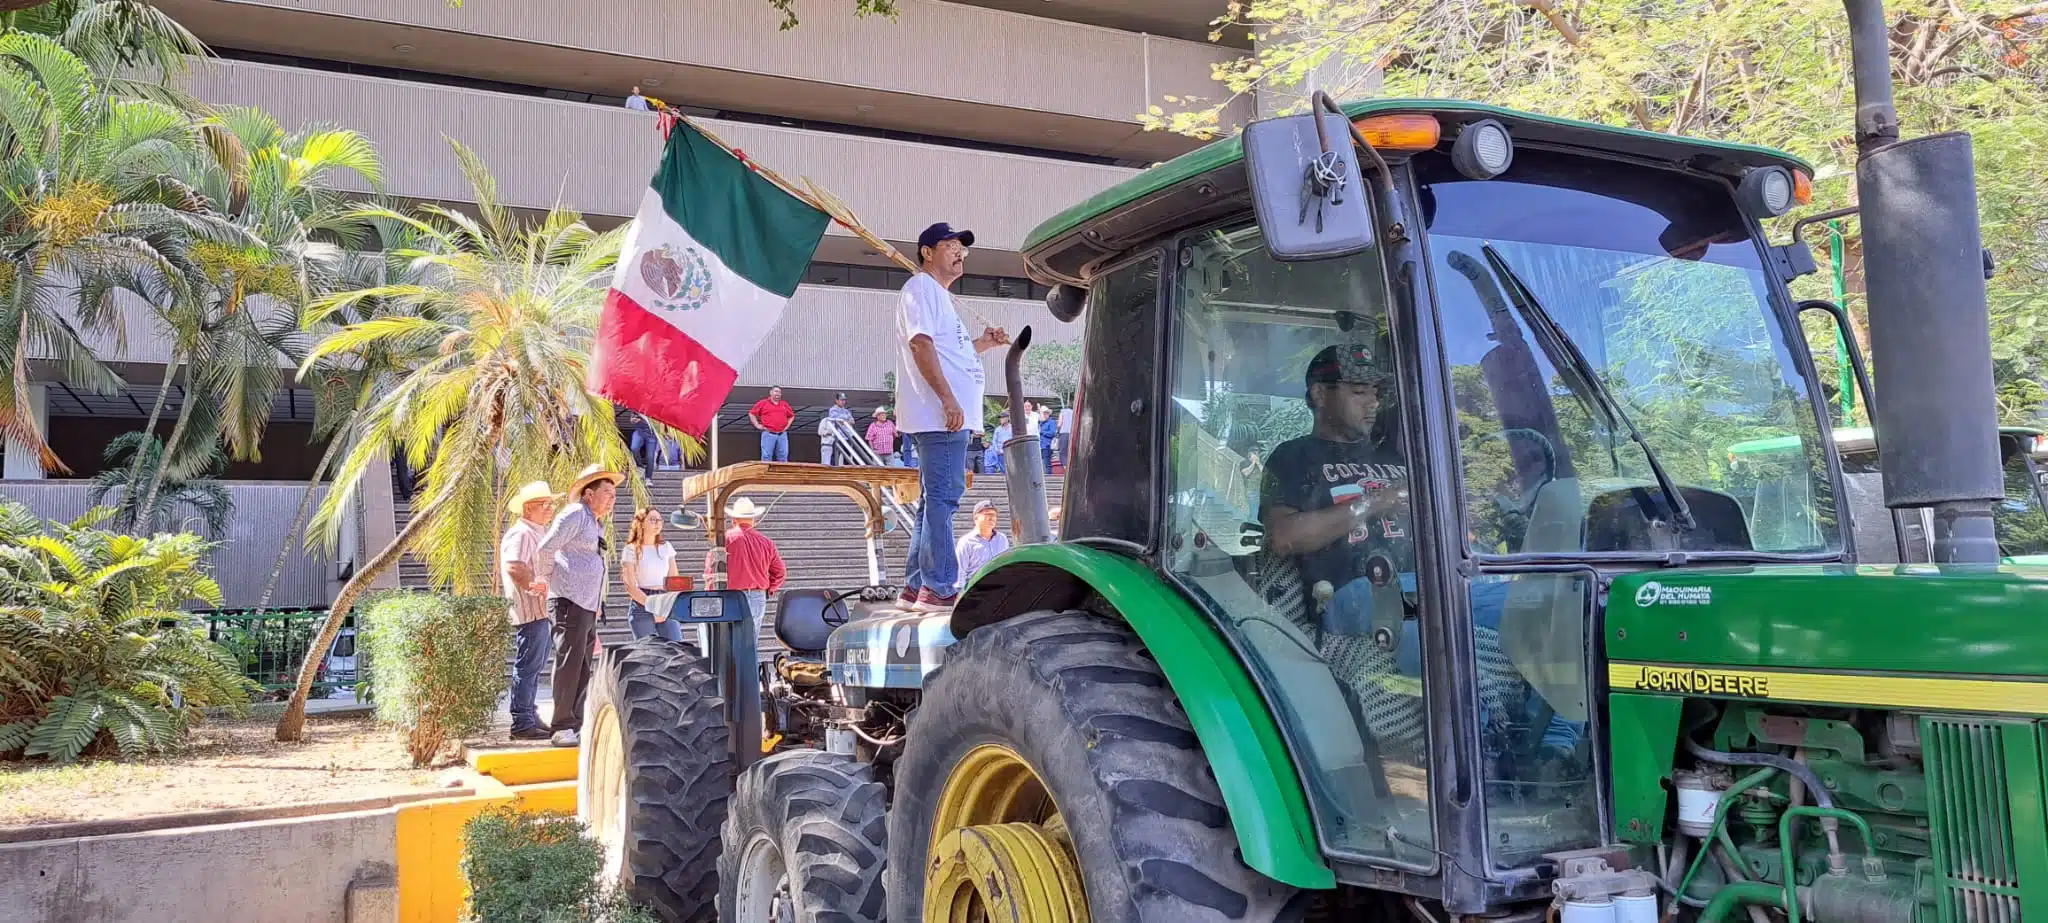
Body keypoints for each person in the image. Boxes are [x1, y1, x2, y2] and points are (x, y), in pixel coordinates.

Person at [894, 221, 1008, 610]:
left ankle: (916, 584)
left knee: (933, 500)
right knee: (943, 499)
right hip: (939, 417)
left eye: (963, 247)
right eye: (950, 245)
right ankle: (939, 586)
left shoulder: (938, 295)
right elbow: (921, 345)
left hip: (944, 416)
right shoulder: (921, 289)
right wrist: (948, 400)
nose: (960, 252)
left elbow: (952, 354)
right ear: (928, 252)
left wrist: (985, 344)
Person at [534, 464, 623, 747]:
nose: (612, 499)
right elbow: (546, 547)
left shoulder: (595, 522)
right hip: (568, 600)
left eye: (613, 494)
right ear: (588, 494)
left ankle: (576, 722)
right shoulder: (574, 514)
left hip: (586, 603)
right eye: (607, 493)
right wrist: (544, 579)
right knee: (569, 662)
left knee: (583, 665)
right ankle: (561, 726)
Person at [499, 480, 557, 741]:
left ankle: (529, 717)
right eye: (545, 504)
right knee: (528, 666)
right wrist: (532, 585)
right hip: (530, 611)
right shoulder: (521, 533)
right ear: (529, 508)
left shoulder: (536, 532)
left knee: (533, 666)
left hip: (539, 611)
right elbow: (514, 565)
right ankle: (522, 721)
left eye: (550, 504)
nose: (550, 508)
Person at [709, 497, 785, 631]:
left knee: (728, 640)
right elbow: (780, 572)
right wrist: (769, 589)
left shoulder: (723, 540)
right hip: (757, 595)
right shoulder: (767, 542)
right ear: (753, 520)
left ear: (734, 520)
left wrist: (711, 593)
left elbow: (711, 570)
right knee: (750, 642)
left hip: (730, 596)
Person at [620, 508, 681, 642]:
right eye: (653, 520)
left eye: (660, 520)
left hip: (665, 599)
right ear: (641, 523)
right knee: (647, 653)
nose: (657, 523)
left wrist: (666, 605)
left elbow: (674, 580)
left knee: (676, 648)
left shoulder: (666, 547)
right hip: (642, 601)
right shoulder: (630, 549)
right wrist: (652, 606)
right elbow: (630, 585)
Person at [954, 500, 1011, 592]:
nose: (992, 518)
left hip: (999, 590)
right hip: (976, 591)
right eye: (988, 514)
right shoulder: (966, 542)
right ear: (976, 518)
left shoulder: (1002, 539)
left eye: (994, 515)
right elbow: (960, 571)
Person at [750, 386, 795, 462]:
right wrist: (757, 425)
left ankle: (781, 473)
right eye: (776, 391)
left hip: (782, 434)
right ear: (770, 392)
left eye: (779, 392)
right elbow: (752, 413)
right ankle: (766, 473)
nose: (777, 393)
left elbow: (792, 416)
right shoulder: (763, 403)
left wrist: (787, 426)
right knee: (766, 456)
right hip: (768, 433)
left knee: (783, 455)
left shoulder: (784, 404)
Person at [819, 392, 855, 465]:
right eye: (841, 400)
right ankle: (832, 471)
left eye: (844, 400)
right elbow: (837, 421)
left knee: (847, 456)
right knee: (835, 456)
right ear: (836, 400)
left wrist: (843, 421)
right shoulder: (833, 410)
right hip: (837, 436)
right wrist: (846, 421)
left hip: (846, 436)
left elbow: (852, 421)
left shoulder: (847, 411)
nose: (843, 402)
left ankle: (847, 472)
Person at [627, 412, 661, 481]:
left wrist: (642, 421)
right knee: (634, 447)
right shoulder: (637, 408)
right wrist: (633, 420)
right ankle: (640, 466)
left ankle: (648, 478)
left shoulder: (656, 409)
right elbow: (631, 420)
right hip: (639, 432)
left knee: (650, 457)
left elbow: (658, 424)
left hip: (652, 434)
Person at [984, 410, 1011, 474]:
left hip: (1010, 452)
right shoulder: (998, 429)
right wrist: (997, 450)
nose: (1001, 419)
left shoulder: (1012, 428)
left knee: (1010, 470)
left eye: (1002, 418)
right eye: (1000, 418)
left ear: (1007, 418)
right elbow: (994, 441)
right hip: (1000, 452)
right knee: (1002, 470)